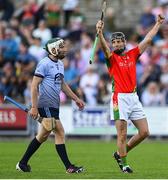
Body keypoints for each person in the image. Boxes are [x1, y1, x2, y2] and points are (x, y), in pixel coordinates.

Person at [96, 14, 165, 173]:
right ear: (112, 45)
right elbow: (104, 48)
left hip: (133, 97)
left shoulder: (132, 54)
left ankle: (119, 154)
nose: (117, 44)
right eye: (114, 42)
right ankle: (124, 164)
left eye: (120, 41)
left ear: (125, 42)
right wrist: (100, 33)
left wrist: (158, 24)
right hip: (119, 98)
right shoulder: (111, 58)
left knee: (144, 132)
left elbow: (147, 40)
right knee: (122, 135)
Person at [16, 37, 85, 173]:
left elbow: (63, 85)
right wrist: (35, 107)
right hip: (46, 104)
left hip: (54, 105)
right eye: (61, 47)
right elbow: (34, 85)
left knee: (42, 136)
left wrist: (76, 98)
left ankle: (22, 163)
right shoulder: (44, 63)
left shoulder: (59, 64)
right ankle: (69, 167)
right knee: (59, 131)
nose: (65, 49)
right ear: (53, 49)